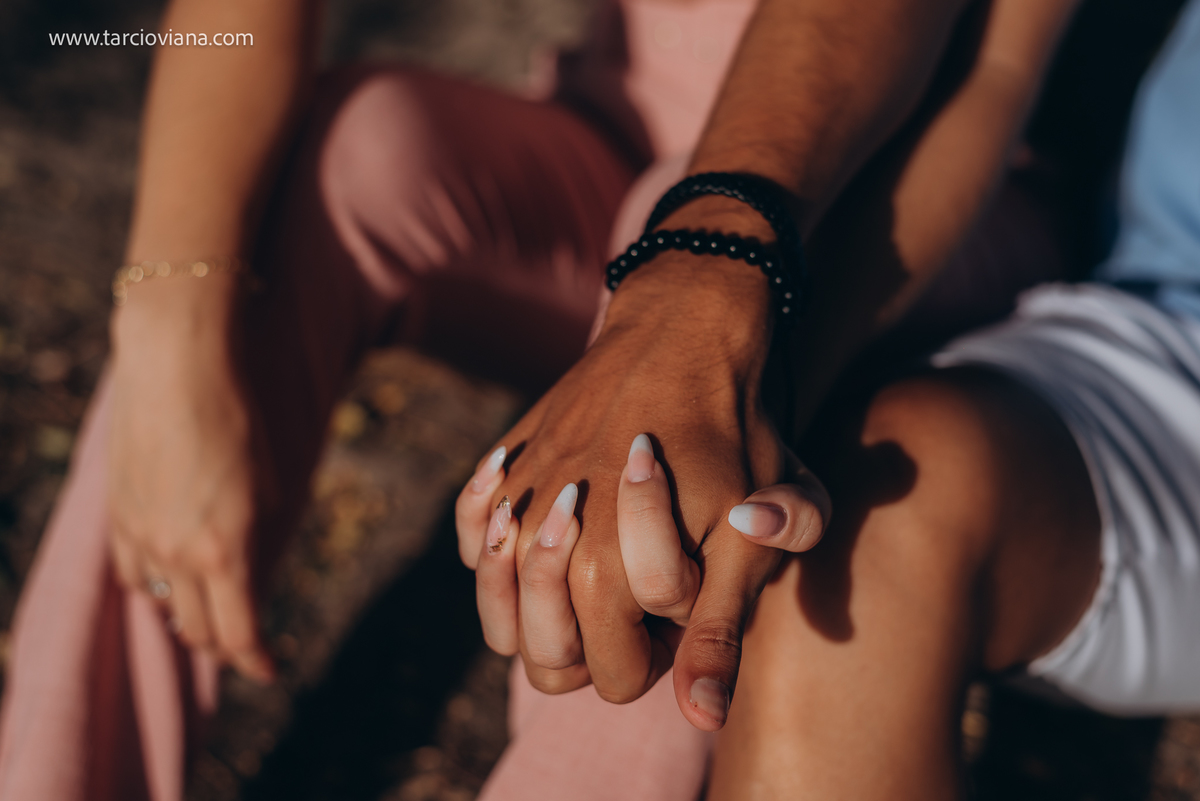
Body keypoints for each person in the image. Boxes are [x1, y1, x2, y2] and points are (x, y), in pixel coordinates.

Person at [0, 0, 1181, 799]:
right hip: (613, 152)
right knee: (356, 147)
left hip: (893, 226)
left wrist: (743, 358)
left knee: (667, 308)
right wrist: (169, 324)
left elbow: (991, 73)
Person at [463, 0, 1200, 797]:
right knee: (869, 514)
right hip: (1146, 315)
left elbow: (994, 72)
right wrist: (756, 392)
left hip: (1089, 285)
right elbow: (994, 71)